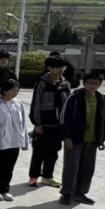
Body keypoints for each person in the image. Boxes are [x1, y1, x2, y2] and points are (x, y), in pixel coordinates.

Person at [60, 70, 105, 206]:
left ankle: (80, 193)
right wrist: (67, 137)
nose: (92, 86)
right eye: (90, 83)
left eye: (96, 83)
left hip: (92, 139)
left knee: (88, 168)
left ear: (99, 84)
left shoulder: (101, 99)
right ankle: (67, 193)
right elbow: (64, 118)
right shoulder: (74, 97)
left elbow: (103, 119)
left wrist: (102, 138)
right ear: (84, 83)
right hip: (75, 139)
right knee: (71, 167)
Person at [27, 57, 70, 188]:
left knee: (53, 152)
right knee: (38, 151)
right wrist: (37, 123)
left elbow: (68, 104)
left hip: (58, 125)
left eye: (62, 67)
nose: (60, 70)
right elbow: (36, 104)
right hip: (44, 125)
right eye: (57, 67)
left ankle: (47, 176)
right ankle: (33, 177)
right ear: (49, 68)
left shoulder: (65, 84)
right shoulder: (42, 83)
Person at [0, 79, 28, 201]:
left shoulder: (18, 104)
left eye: (17, 89)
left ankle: (5, 189)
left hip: (14, 142)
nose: (15, 92)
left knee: (9, 168)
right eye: (12, 90)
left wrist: (24, 141)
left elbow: (23, 124)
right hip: (1, 143)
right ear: (4, 91)